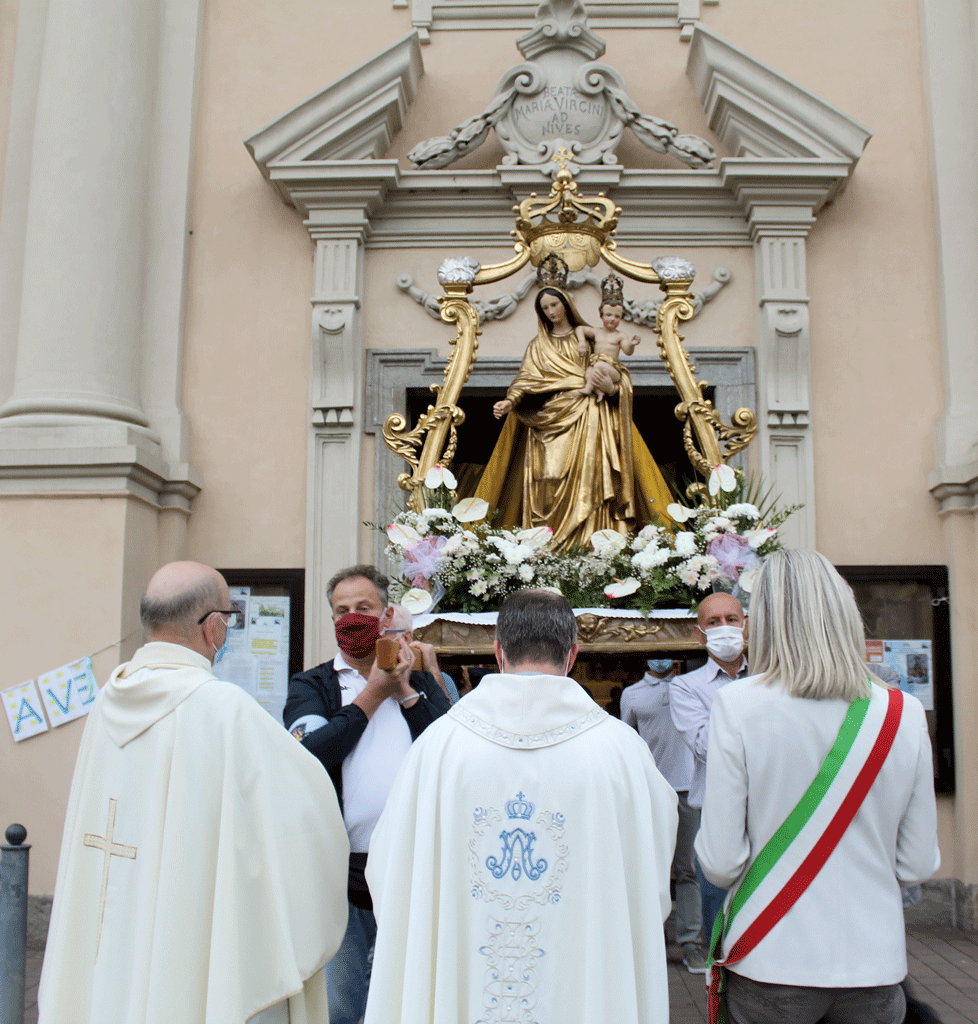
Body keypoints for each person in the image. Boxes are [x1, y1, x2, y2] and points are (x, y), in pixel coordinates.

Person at [39, 561, 349, 1024]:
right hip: (186, 932)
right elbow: (311, 820)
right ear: (214, 626)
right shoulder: (224, 710)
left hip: (112, 923)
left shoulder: (109, 699)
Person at [363, 589, 679, 1024]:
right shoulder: (620, 750)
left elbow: (388, 869)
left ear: (498, 652)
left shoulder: (439, 746)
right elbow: (652, 872)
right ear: (572, 654)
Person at [695, 550, 940, 1024]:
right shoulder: (901, 712)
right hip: (875, 964)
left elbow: (721, 862)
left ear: (762, 620)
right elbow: (916, 864)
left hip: (772, 958)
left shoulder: (738, 705)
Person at [283, 564, 451, 1024]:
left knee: (412, 996)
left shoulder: (418, 680)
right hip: (340, 871)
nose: (351, 618)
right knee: (341, 1001)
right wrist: (374, 693)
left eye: (364, 608)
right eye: (342, 611)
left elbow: (448, 751)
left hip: (412, 868)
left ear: (387, 613)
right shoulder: (312, 685)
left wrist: (409, 690)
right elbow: (311, 753)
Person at [474, 257, 674, 551]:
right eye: (545, 308)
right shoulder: (538, 346)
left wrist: (613, 387)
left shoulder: (592, 338)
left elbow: (617, 372)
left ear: (566, 304)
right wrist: (510, 400)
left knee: (591, 483)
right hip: (546, 424)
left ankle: (593, 549)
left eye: (555, 305)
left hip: (590, 417)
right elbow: (525, 379)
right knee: (546, 480)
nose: (551, 311)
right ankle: (544, 548)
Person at [670, 591, 749, 947]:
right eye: (714, 622)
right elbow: (705, 748)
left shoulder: (772, 676)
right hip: (715, 815)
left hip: (772, 809)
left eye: (731, 620)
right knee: (720, 926)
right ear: (700, 635)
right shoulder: (686, 687)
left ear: (746, 626)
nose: (725, 628)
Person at [622, 656, 707, 974]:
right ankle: (650, 939)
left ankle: (690, 942)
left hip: (688, 788)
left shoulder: (692, 688)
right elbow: (627, 739)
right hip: (651, 789)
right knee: (649, 868)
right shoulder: (632, 694)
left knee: (689, 870)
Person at [576, 278, 641, 402]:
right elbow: (580, 329)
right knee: (589, 371)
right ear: (601, 316)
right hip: (597, 367)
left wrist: (632, 344)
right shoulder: (597, 331)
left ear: (620, 319)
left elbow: (627, 351)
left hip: (612, 371)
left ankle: (588, 389)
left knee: (599, 366)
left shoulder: (620, 335)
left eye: (617, 316)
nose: (612, 319)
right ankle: (599, 391)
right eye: (608, 315)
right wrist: (581, 342)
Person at [386, 602, 460, 702]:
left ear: (406, 638)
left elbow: (450, 716)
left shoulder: (442, 679)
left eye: (384, 632)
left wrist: (434, 673)